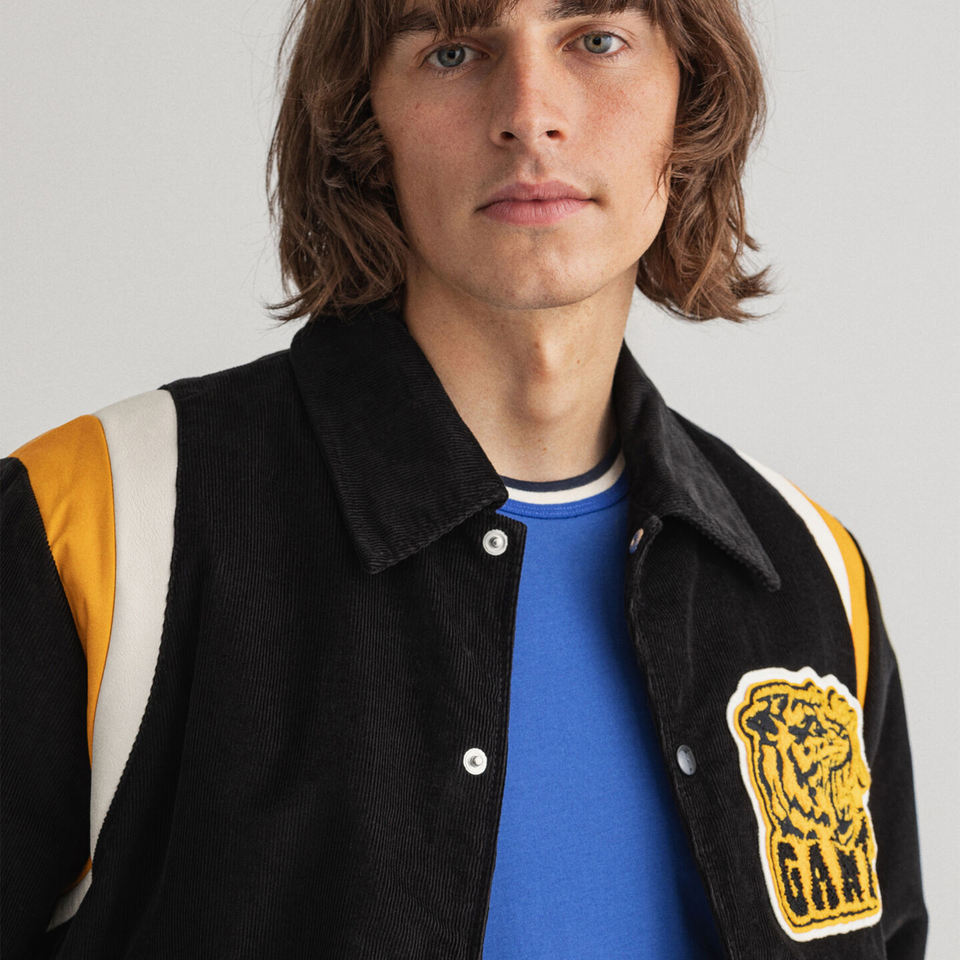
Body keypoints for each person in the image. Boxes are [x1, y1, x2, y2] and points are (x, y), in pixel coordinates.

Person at [1, 0, 927, 957]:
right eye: (452, 51)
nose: (529, 114)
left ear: (691, 106)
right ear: (363, 123)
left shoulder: (810, 572)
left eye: (596, 41)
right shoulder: (98, 521)